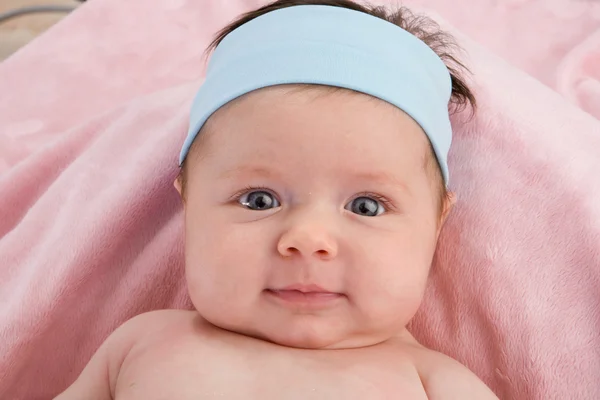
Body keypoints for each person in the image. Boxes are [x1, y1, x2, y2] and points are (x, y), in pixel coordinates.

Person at [55, 1, 499, 398]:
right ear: (188, 203)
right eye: (259, 200)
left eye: (366, 206)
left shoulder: (433, 382)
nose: (307, 239)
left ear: (437, 222)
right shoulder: (140, 344)